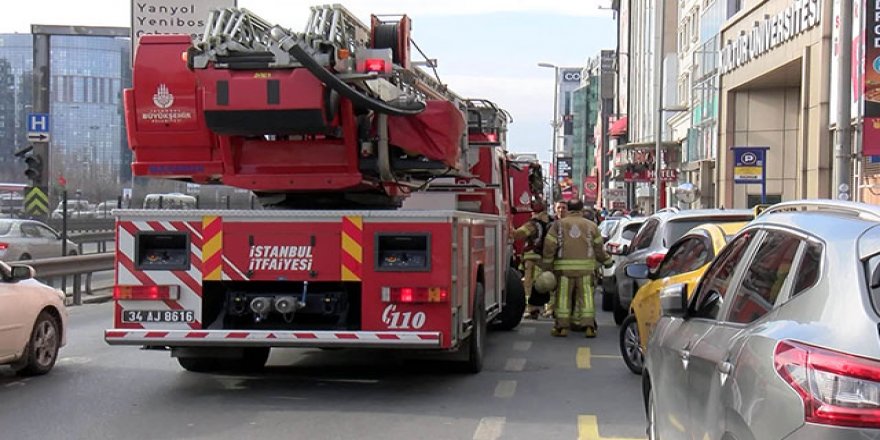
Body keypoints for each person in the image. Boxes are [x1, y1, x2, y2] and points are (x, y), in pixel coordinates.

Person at [542, 199, 613, 338]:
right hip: (586, 270)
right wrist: (607, 261)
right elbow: (599, 249)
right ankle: (589, 327)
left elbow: (550, 246)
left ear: (568, 209)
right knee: (586, 297)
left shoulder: (559, 225)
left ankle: (562, 328)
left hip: (563, 271)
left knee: (563, 298)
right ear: (581, 210)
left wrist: (547, 266)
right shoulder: (592, 226)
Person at [511, 199, 551, 319]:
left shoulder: (533, 224)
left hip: (532, 258)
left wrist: (509, 225)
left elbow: (518, 234)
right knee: (548, 283)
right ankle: (550, 308)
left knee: (529, 284)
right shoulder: (553, 222)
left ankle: (530, 308)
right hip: (548, 258)